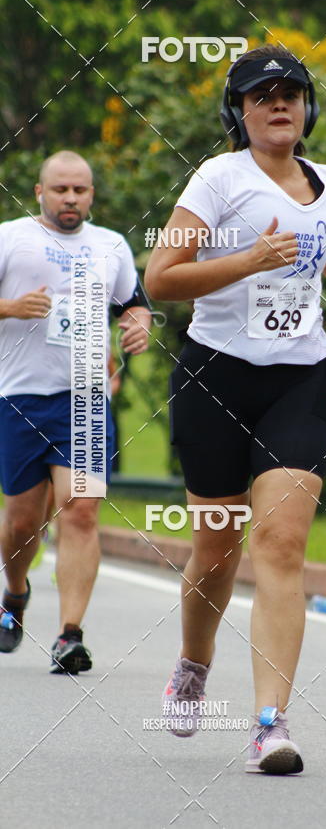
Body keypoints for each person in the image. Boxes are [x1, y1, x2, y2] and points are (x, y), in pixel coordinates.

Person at [145, 44, 326, 774]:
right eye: (262, 94)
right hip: (216, 377)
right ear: (238, 112)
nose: (279, 102)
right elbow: (161, 279)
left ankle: (271, 725)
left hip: (301, 377)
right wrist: (246, 261)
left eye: (292, 92)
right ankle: (191, 662)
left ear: (308, 108)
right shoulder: (219, 179)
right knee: (216, 549)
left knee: (280, 545)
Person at [0, 150, 152, 673]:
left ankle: (69, 636)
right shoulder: (10, 238)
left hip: (87, 397)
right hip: (19, 397)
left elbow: (134, 301)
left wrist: (138, 325)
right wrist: (10, 307)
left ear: (91, 195)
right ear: (39, 192)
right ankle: (15, 592)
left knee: (81, 510)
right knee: (22, 524)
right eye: (60, 189)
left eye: (80, 190)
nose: (70, 198)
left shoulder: (111, 245)